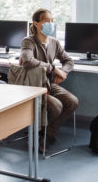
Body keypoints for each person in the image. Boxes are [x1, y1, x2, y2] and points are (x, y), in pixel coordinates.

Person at [18, 8, 78, 146]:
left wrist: (64, 72)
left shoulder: (54, 42)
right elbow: (28, 61)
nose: (51, 23)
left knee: (72, 102)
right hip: (32, 86)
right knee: (56, 106)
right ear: (36, 24)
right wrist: (53, 68)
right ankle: (40, 136)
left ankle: (46, 134)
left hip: (48, 84)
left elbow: (69, 61)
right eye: (46, 21)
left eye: (52, 20)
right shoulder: (28, 42)